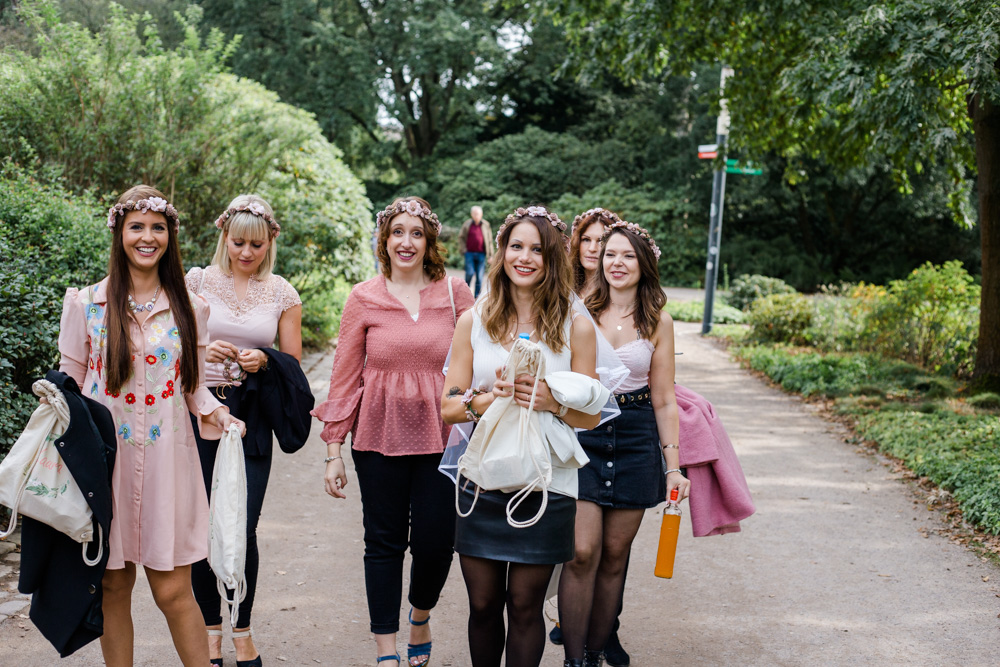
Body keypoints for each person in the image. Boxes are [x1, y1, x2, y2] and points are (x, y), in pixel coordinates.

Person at [57, 184, 245, 667]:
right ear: (120, 232)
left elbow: (195, 388)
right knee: (114, 586)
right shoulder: (86, 306)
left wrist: (219, 414)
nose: (147, 237)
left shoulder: (192, 308)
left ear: (170, 235)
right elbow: (70, 390)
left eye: (157, 227)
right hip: (107, 470)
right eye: (136, 227)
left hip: (168, 468)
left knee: (173, 590)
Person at [313, 197, 474, 667]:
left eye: (417, 233)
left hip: (443, 437)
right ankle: (386, 649)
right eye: (397, 232)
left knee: (437, 542)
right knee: (382, 541)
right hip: (378, 437)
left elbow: (479, 362)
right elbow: (344, 376)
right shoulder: (363, 297)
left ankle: (420, 617)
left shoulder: (455, 293)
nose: (407, 241)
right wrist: (333, 450)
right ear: (385, 239)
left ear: (429, 242)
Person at [441, 205, 601, 667]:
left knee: (526, 607)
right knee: (484, 605)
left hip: (546, 481)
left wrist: (549, 399)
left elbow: (589, 417)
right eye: (516, 246)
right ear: (501, 251)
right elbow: (449, 406)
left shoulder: (576, 326)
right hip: (484, 476)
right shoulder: (475, 320)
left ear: (554, 260)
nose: (525, 257)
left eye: (537, 249)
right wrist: (487, 400)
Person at [558, 220, 691, 667]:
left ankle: (595, 654)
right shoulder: (578, 312)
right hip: (585, 431)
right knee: (581, 552)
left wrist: (673, 467)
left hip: (636, 437)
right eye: (610, 254)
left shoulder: (659, 322)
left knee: (615, 555)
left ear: (645, 264)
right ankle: (573, 660)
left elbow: (665, 399)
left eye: (628, 255)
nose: (616, 262)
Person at [185, 194, 304, 667]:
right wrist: (204, 350)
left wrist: (265, 359)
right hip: (197, 411)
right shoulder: (195, 281)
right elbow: (170, 345)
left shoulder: (282, 292)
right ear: (224, 237)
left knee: (242, 525)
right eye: (238, 242)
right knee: (200, 526)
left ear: (269, 240)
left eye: (256, 244)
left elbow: (293, 364)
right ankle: (210, 633)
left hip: (251, 415)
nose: (246, 253)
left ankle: (242, 629)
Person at [458, 205, 494, 298]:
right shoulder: (467, 224)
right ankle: (465, 292)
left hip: (481, 254)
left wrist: (491, 255)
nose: (476, 215)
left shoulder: (486, 224)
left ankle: (476, 296)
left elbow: (489, 240)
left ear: (481, 214)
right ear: (471, 214)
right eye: (474, 214)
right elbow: (461, 237)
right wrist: (463, 250)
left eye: (477, 214)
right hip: (469, 253)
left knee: (479, 276)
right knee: (469, 273)